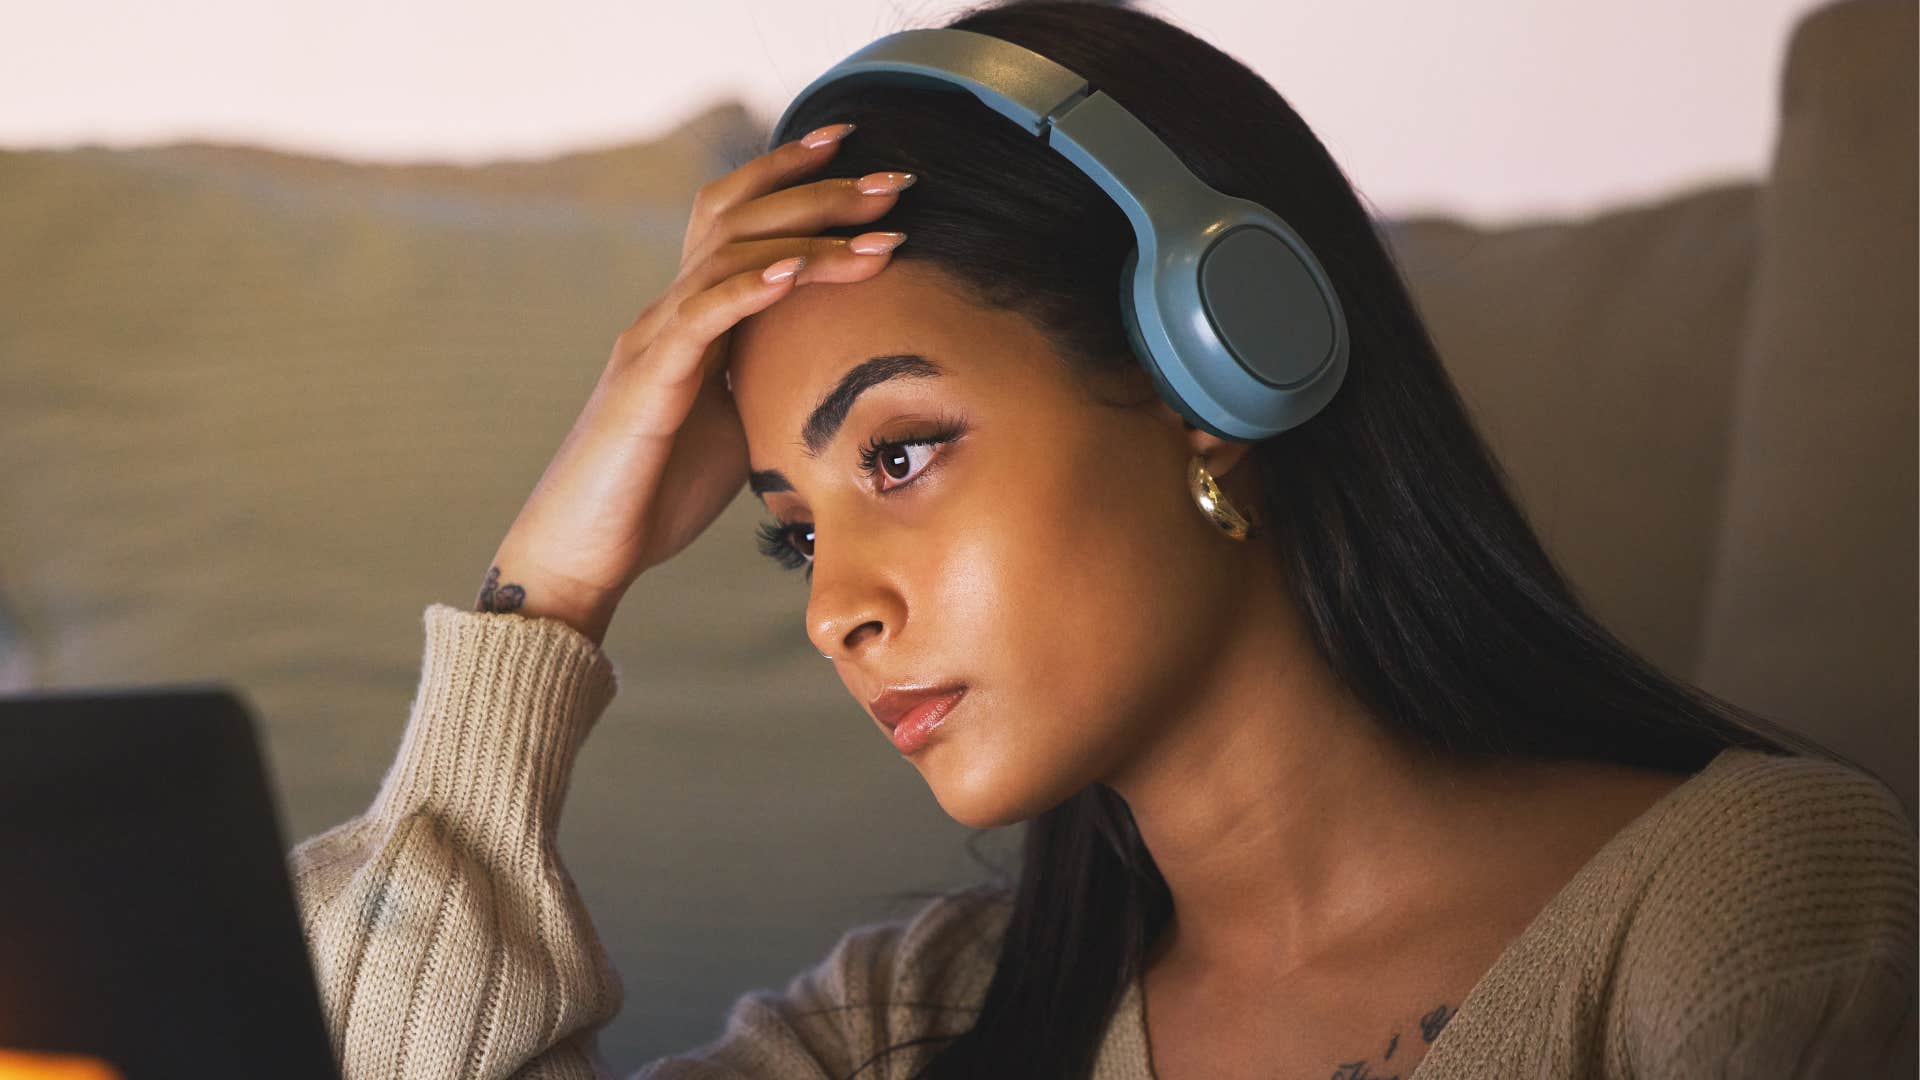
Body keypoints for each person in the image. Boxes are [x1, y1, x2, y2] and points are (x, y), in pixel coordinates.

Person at [285, 1, 1919, 1077]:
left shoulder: (1738, 906)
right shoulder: (913, 1024)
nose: (834, 611)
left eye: (903, 451)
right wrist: (553, 591)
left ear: (1219, 368)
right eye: (791, 537)